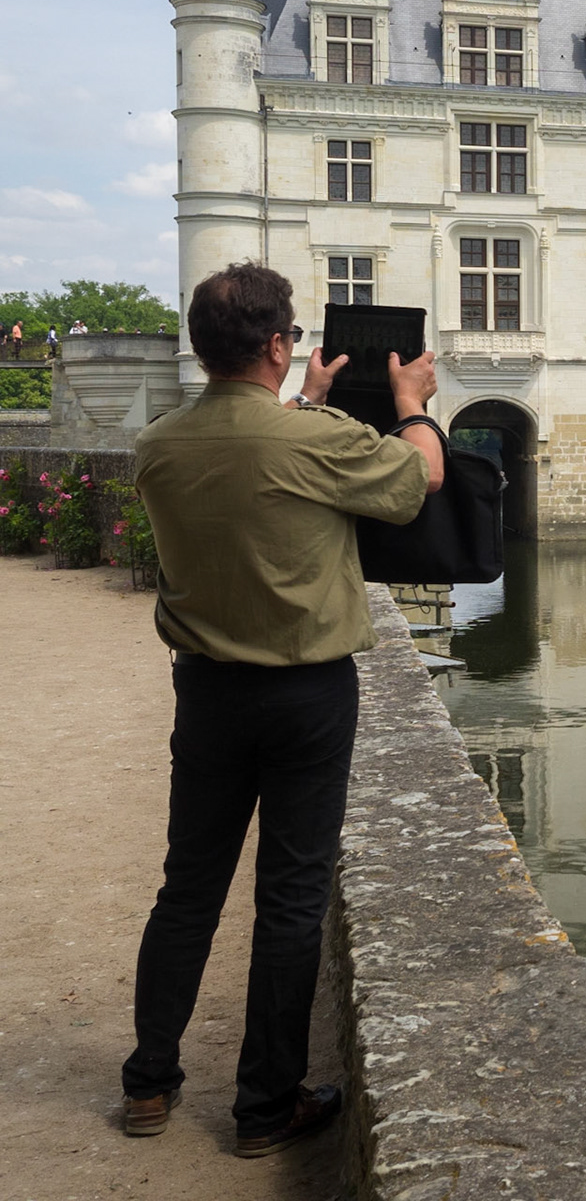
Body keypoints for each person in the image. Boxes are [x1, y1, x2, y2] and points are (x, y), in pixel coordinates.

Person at [120, 261, 444, 1157]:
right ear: (276, 343)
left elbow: (247, 454)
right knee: (292, 898)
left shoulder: (158, 446)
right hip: (305, 693)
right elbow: (419, 479)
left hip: (209, 690)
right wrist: (411, 400)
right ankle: (265, 1107)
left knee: (187, 889)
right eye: (291, 337)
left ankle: (149, 1084)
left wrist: (300, 399)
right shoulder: (316, 445)